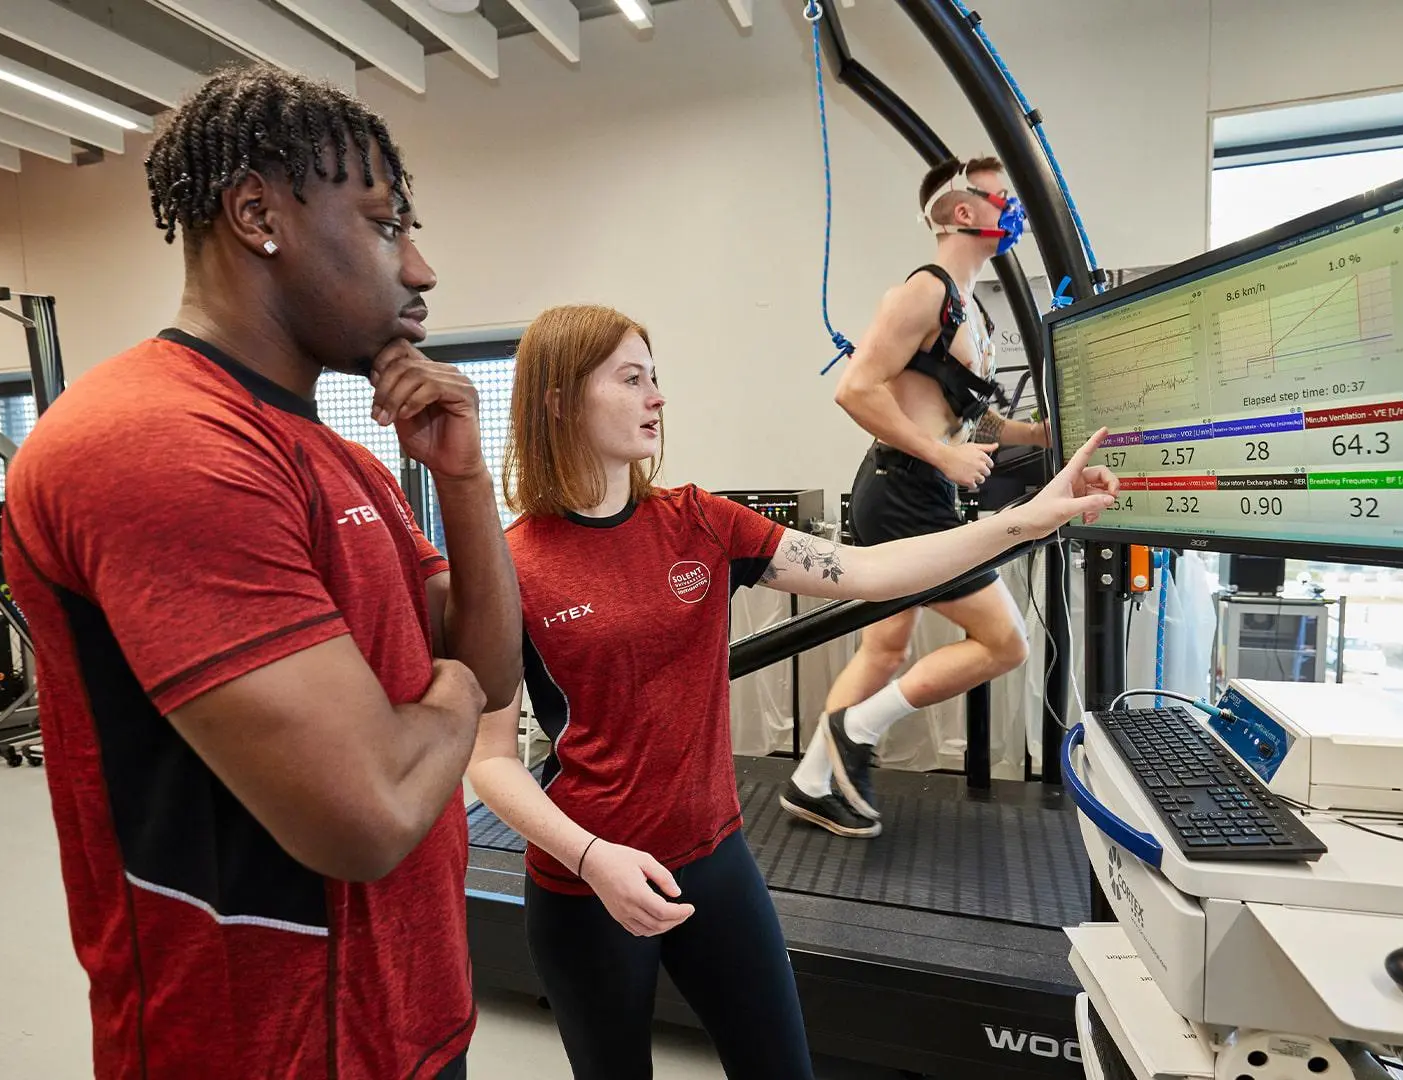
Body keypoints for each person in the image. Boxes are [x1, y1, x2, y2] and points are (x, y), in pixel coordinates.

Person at [1, 66, 521, 1080]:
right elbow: (367, 812)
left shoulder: (337, 451)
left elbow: (493, 669)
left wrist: (461, 483)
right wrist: (448, 685)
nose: (418, 268)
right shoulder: (157, 441)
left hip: (406, 1012)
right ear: (257, 214)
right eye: (383, 224)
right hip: (259, 1045)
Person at [465, 304, 1115, 1079]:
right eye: (632, 379)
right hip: (587, 880)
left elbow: (872, 571)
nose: (657, 398)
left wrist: (1028, 520)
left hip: (716, 859)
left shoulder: (698, 523)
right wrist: (592, 856)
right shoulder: (509, 566)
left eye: (657, 378)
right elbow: (489, 760)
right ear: (559, 401)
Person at [793, 155, 1049, 831]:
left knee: (885, 648)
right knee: (1006, 642)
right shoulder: (924, 291)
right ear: (965, 212)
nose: (1013, 208)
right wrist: (942, 455)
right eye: (1003, 197)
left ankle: (810, 780)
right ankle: (858, 729)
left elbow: (969, 417)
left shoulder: (971, 314)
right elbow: (855, 389)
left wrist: (1040, 435)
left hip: (914, 486)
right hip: (904, 492)